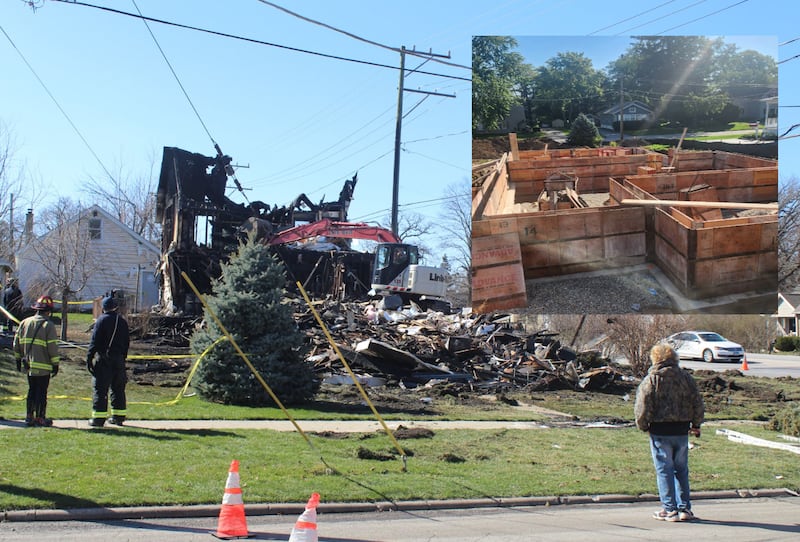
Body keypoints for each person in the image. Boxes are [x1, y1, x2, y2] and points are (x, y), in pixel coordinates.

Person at [634, 343, 705, 522]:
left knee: (664, 470)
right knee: (681, 470)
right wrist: (696, 424)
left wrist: (643, 425)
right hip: (681, 430)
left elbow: (643, 406)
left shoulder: (652, 379)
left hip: (660, 431)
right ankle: (684, 508)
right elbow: (697, 402)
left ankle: (669, 509)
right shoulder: (686, 378)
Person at [13, 295, 60, 427]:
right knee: (41, 392)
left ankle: (29, 416)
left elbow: (16, 343)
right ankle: (40, 417)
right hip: (43, 366)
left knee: (32, 391)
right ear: (48, 311)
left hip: (29, 366)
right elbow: (52, 347)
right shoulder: (48, 325)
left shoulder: (24, 322)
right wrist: (55, 364)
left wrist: (18, 359)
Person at [86, 295, 130, 427]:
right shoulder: (122, 322)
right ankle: (118, 417)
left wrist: (89, 358)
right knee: (118, 389)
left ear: (103, 308)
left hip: (104, 359)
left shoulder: (101, 320)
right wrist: (122, 358)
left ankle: (98, 419)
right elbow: (127, 342)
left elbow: (94, 341)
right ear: (115, 307)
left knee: (100, 389)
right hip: (119, 360)